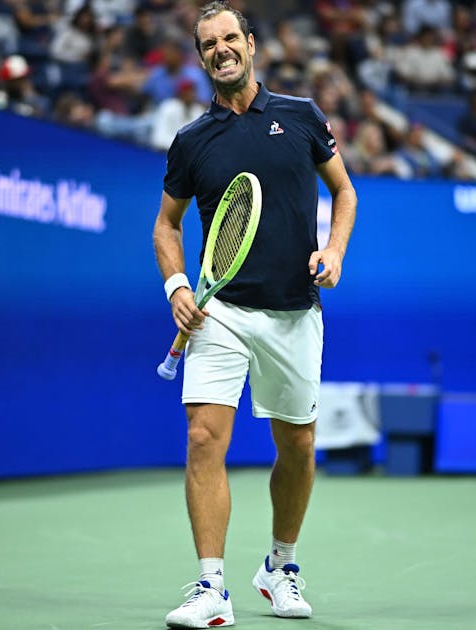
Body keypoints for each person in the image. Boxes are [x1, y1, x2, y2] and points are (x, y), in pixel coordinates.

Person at [152, 3, 357, 627]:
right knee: (202, 437)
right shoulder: (192, 141)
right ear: (202, 56)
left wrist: (335, 250)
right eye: (208, 43)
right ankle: (211, 587)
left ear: (251, 44)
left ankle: (280, 566)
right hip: (220, 314)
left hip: (295, 313)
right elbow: (166, 225)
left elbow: (344, 191)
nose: (221, 49)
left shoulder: (301, 117)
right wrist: (178, 285)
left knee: (297, 444)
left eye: (229, 38)